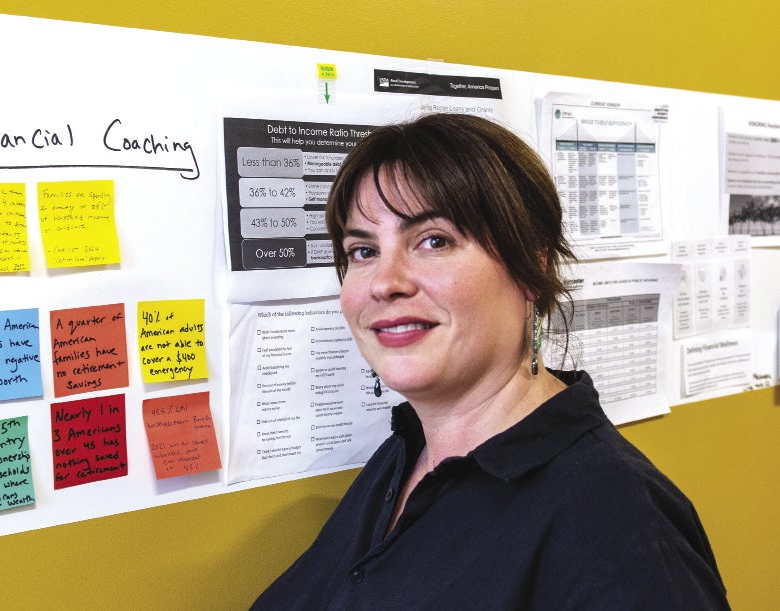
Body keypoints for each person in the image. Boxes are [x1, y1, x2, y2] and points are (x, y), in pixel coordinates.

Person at [251, 113, 729, 610]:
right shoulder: (405, 457)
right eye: (364, 249)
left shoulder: (619, 525)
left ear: (531, 267)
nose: (383, 281)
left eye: (434, 240)